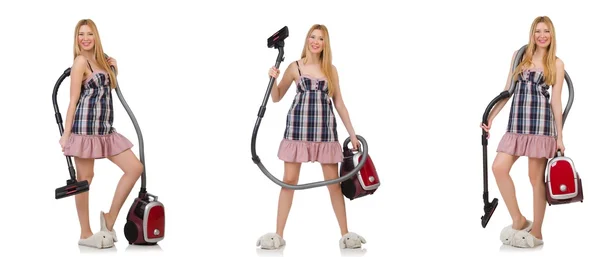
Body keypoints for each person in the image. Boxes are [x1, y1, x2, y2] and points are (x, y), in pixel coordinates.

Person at [257, 24, 366, 249]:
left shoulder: (331, 70)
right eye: (312, 37)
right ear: (307, 40)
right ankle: (278, 235)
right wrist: (272, 78)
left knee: (333, 185)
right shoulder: (295, 67)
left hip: (325, 133)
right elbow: (276, 97)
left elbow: (339, 104)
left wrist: (352, 135)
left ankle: (345, 234)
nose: (315, 41)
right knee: (288, 182)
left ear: (326, 44)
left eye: (321, 38)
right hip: (297, 132)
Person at [481, 16, 565, 248]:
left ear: (552, 35)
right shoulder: (520, 56)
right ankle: (518, 220)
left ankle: (536, 231)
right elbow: (507, 90)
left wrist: (560, 137)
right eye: (538, 31)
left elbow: (556, 102)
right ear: (532, 33)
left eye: (546, 31)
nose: (542, 35)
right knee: (499, 167)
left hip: (540, 126)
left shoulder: (556, 63)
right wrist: (490, 117)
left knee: (535, 179)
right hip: (517, 125)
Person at [59, 19, 143, 249]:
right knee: (84, 180)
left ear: (96, 36)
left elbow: (108, 89)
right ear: (76, 39)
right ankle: (85, 234)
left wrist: (114, 70)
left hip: (105, 129)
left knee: (135, 168)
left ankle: (109, 219)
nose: (85, 38)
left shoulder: (101, 60)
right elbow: (73, 100)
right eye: (80, 34)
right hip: (85, 129)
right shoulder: (80, 61)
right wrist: (66, 134)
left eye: (89, 34)